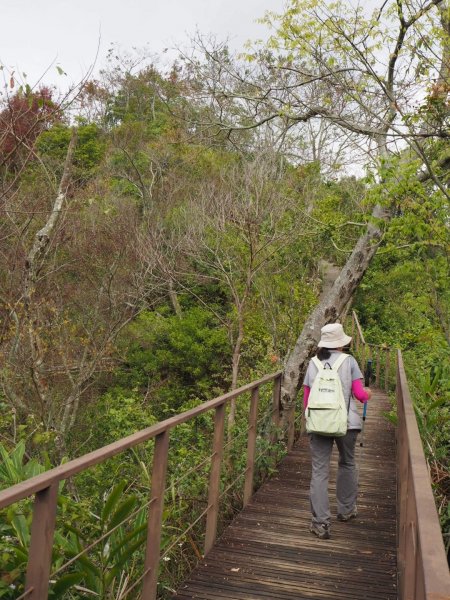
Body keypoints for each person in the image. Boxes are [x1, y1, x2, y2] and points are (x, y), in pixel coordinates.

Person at [303, 322, 372, 540]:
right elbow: (360, 395)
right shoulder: (349, 361)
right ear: (341, 343)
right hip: (347, 423)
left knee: (320, 472)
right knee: (347, 463)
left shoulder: (313, 363)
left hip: (320, 423)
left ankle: (320, 523)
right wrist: (368, 393)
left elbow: (306, 399)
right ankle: (346, 510)